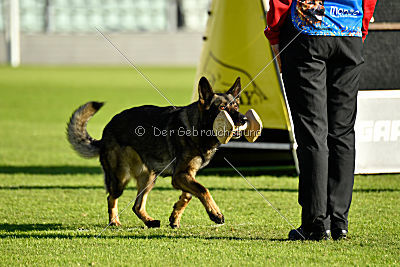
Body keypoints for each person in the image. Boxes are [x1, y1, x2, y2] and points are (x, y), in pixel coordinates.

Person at [264, 0, 377, 240]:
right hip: (350, 32)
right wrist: (361, 26)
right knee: (343, 132)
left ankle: (316, 224)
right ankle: (339, 223)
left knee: (312, 132)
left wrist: (274, 35)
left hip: (306, 32)